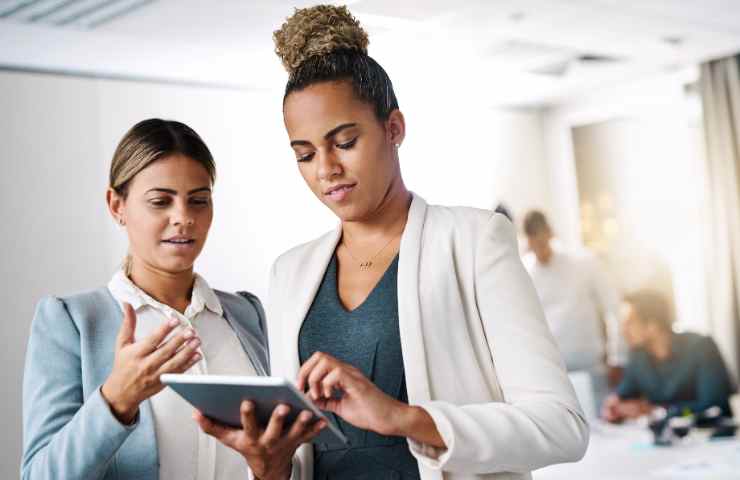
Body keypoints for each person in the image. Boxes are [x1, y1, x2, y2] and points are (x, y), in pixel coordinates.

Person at [195, 5, 588, 480]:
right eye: (305, 154)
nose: (326, 170)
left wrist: (403, 418)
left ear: (394, 129)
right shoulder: (289, 272)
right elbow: (302, 458)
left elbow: (562, 426)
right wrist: (269, 465)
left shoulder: (473, 241)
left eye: (343, 142)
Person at [21, 119, 287, 479]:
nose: (183, 218)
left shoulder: (245, 314)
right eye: (161, 201)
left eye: (198, 201)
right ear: (116, 205)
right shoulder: (72, 321)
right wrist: (117, 399)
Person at [521, 210, 624, 406]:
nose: (539, 251)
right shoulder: (525, 272)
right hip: (553, 373)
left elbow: (614, 308)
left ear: (550, 233)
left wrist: (617, 356)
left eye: (542, 243)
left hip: (591, 366)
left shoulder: (584, 263)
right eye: (533, 245)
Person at [602, 290, 734, 422]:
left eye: (629, 323)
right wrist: (614, 407)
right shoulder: (638, 356)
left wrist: (657, 411)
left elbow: (714, 406)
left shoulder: (701, 347)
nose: (623, 330)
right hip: (667, 438)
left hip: (712, 435)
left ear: (652, 325)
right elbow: (622, 395)